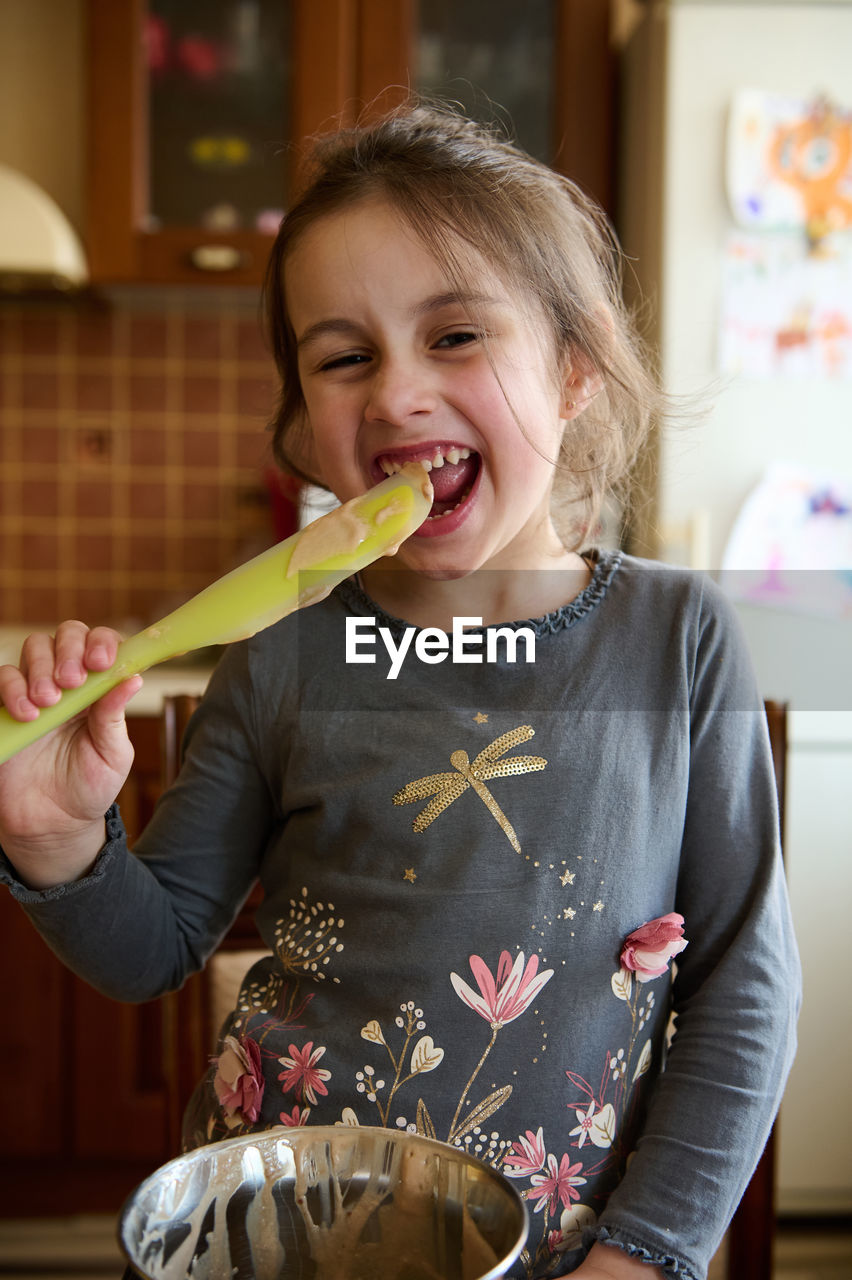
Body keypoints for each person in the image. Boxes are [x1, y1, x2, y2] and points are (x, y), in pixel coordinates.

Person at [0, 102, 799, 1280]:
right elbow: (155, 943)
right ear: (306, 427)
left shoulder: (677, 640)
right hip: (272, 1240)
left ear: (574, 371)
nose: (396, 393)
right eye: (344, 356)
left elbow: (745, 984)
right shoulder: (278, 659)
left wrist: (644, 1252)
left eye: (457, 335)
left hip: (553, 1257)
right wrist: (62, 841)